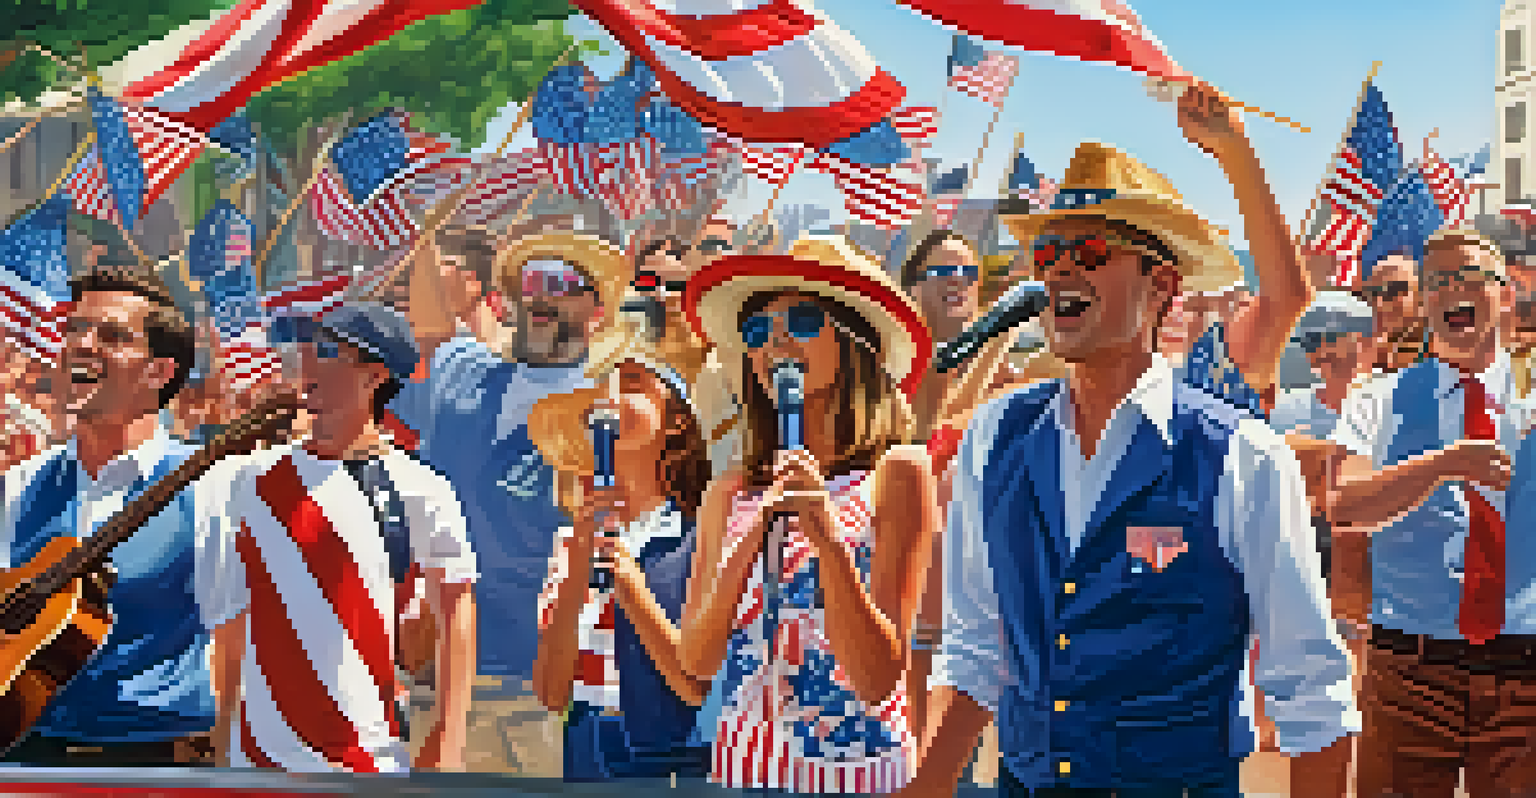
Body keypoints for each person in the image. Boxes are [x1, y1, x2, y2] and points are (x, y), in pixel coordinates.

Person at [910, 129, 1357, 797]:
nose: (1059, 269)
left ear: (1162, 287)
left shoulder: (1242, 453)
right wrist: (925, 788)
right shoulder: (996, 434)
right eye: (1048, 252)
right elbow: (976, 650)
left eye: (1089, 252)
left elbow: (1312, 692)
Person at [679, 235, 940, 793]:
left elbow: (876, 679)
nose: (774, 342)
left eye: (800, 320)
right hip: (742, 772)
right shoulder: (728, 492)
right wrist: (749, 542)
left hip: (859, 779)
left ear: (855, 342)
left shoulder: (897, 473)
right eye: (756, 331)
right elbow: (696, 665)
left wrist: (827, 541)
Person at [390, 230, 626, 774]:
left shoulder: (605, 413)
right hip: (438, 676)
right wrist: (422, 221)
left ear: (596, 308)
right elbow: (431, 322)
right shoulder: (462, 372)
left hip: (533, 693)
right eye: (533, 281)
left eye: (564, 284)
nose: (542, 296)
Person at [206, 302, 477, 772]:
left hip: (367, 764)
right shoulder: (243, 478)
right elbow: (230, 619)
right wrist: (221, 736)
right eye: (306, 347)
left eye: (329, 351)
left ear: (374, 377)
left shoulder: (420, 487)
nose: (307, 364)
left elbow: (456, 608)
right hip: (255, 764)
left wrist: (448, 737)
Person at [1328, 230, 1536, 797]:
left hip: (1526, 673)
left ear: (1505, 298)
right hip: (1408, 676)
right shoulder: (1377, 398)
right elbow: (1344, 504)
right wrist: (1442, 465)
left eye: (1467, 275)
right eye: (1437, 281)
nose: (1451, 290)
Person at [0, 270, 219, 766]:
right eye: (74, 329)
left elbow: (240, 642)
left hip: (161, 760)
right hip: (29, 757)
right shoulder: (19, 486)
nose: (81, 344)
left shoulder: (210, 486)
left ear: (160, 372)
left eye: (112, 336)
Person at [528, 343, 713, 781]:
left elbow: (695, 688)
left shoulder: (702, 537)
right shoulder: (570, 541)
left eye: (632, 383)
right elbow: (552, 694)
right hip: (586, 745)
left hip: (671, 757)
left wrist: (629, 584)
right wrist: (578, 569)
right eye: (600, 387)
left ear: (677, 421)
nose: (609, 396)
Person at [1355, 250, 1428, 373]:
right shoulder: (1361, 367)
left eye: (1394, 289)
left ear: (1422, 295)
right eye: (1374, 293)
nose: (1380, 302)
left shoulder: (1450, 356)